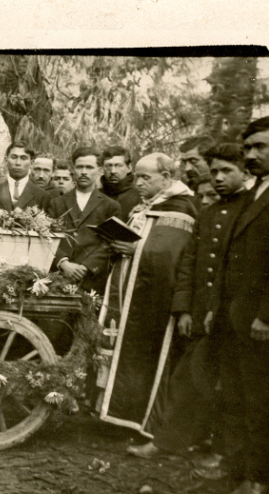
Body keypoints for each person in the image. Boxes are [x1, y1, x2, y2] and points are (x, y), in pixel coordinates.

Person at [127, 143, 249, 462]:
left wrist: (222, 310)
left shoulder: (250, 211)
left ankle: (226, 454)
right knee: (188, 379)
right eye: (216, 171)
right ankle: (169, 443)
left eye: (227, 171)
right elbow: (191, 264)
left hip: (238, 314)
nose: (219, 178)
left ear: (245, 173)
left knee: (235, 385)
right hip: (202, 313)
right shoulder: (209, 213)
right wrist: (184, 309)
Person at [212, 117, 269, 494]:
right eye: (248, 149)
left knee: (260, 399)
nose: (251, 155)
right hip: (235, 314)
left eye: (260, 146)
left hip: (261, 319)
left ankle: (259, 479)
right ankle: (237, 469)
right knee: (236, 395)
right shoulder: (258, 189)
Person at [99, 152, 197, 432]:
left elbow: (170, 256)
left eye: (146, 177)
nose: (138, 183)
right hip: (130, 292)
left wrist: (135, 249)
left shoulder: (181, 207)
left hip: (156, 299)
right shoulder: (144, 206)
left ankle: (140, 420)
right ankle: (118, 414)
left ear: (166, 178)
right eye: (138, 177)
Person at [45, 147, 120, 292]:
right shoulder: (57, 203)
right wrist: (63, 263)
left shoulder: (111, 205)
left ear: (100, 170)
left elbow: (110, 243)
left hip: (93, 279)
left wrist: (86, 267)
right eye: (80, 167)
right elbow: (47, 236)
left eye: (89, 167)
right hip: (58, 276)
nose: (84, 172)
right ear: (73, 170)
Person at [0, 140, 52, 212]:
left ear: (32, 163)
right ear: (6, 160)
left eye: (23, 158)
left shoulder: (43, 195)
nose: (18, 163)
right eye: (14, 157)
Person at [100, 146, 142, 219]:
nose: (113, 171)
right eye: (108, 166)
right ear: (102, 168)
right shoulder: (94, 195)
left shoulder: (140, 196)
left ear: (129, 168)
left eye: (118, 165)